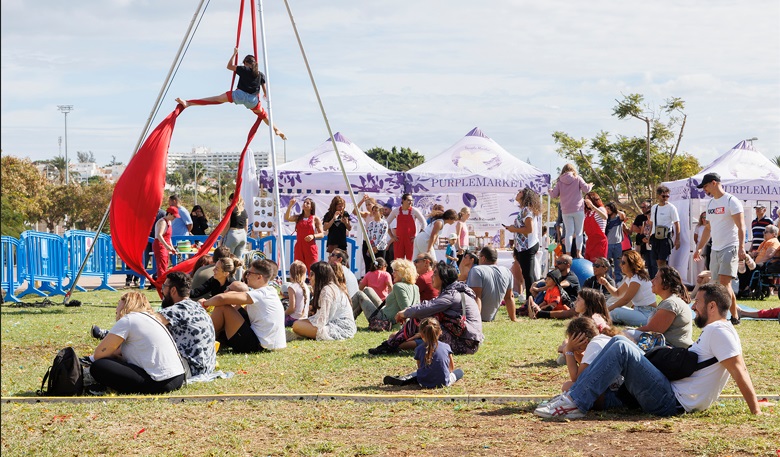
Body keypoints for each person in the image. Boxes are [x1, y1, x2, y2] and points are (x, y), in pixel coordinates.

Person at [534, 283, 762, 419]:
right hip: (668, 392)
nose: (694, 306)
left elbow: (738, 369)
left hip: (670, 401)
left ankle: (574, 401)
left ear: (712, 306)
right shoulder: (717, 331)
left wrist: (755, 411)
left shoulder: (720, 331)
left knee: (620, 345)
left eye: (698, 302)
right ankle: (574, 396)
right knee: (619, 344)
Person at [369, 262, 484, 355]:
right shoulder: (453, 292)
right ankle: (394, 343)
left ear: (443, 277)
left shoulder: (452, 295)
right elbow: (428, 304)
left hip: (465, 343)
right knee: (398, 334)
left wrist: (405, 313)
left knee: (420, 319)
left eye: (435, 274)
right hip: (465, 338)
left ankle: (389, 345)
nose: (432, 277)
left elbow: (427, 308)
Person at [87, 292, 186, 394]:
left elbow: (99, 354)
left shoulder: (129, 319)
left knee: (99, 366)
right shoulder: (151, 319)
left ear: (126, 305)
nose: (116, 309)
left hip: (160, 382)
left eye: (119, 304)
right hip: (177, 377)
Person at [176, 48, 286, 139]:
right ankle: (276, 129)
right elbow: (265, 91)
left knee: (215, 99)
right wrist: (265, 96)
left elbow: (229, 66)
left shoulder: (244, 69)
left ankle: (188, 103)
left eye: (244, 63)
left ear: (247, 64)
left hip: (239, 95)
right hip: (252, 101)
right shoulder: (261, 74)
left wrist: (234, 54)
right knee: (264, 115)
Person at [200, 259, 286, 353]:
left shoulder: (260, 293)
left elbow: (222, 299)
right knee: (233, 307)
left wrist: (205, 303)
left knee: (223, 306)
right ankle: (209, 339)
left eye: (249, 273)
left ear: (259, 277)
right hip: (268, 343)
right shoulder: (270, 291)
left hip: (259, 345)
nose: (246, 276)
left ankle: (201, 339)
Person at [693, 172, 746, 324]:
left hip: (730, 246)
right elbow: (708, 229)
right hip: (715, 248)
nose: (704, 190)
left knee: (724, 283)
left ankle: (730, 318)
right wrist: (699, 247)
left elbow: (741, 226)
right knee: (719, 285)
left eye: (705, 186)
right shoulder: (710, 204)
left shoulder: (731, 201)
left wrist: (742, 247)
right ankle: (735, 315)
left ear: (714, 183)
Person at [155, 272, 217, 377]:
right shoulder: (196, 306)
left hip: (192, 369)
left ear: (173, 290)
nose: (162, 290)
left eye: (164, 286)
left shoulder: (178, 309)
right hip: (206, 367)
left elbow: (147, 324)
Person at [382, 317, 464, 388]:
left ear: (421, 334)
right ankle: (411, 377)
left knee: (419, 373)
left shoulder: (419, 348)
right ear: (440, 332)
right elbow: (451, 368)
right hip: (443, 382)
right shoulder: (446, 346)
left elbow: (420, 367)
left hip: (423, 383)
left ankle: (409, 378)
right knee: (459, 371)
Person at [625, 266, 693, 348]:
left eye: (656, 278)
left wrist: (629, 331)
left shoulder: (670, 303)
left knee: (624, 335)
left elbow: (653, 330)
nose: (652, 281)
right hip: (667, 349)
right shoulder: (671, 301)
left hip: (670, 351)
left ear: (666, 283)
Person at [292, 261, 357, 340]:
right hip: (336, 325)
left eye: (312, 274)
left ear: (320, 276)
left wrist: (306, 325)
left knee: (297, 326)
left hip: (340, 329)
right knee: (299, 323)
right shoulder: (329, 287)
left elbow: (322, 321)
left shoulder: (327, 291)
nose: (309, 277)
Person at [353, 258, 420, 329]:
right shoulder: (415, 287)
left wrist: (407, 328)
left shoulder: (398, 286)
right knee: (367, 289)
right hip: (385, 314)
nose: (392, 273)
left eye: (395, 271)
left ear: (402, 272)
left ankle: (345, 317)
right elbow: (416, 307)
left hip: (385, 322)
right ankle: (350, 318)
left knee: (359, 294)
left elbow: (407, 309)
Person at [560, 317, 617, 393]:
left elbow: (577, 379)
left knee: (567, 386)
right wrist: (576, 351)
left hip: (613, 394)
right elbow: (586, 370)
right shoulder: (601, 339)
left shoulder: (594, 345)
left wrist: (569, 350)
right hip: (616, 388)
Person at [599, 250, 656, 327]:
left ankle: (599, 319)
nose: (620, 265)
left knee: (616, 312)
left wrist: (606, 310)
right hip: (639, 311)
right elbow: (618, 293)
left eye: (623, 263)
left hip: (647, 314)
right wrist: (606, 283)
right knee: (613, 307)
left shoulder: (636, 278)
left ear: (631, 264)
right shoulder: (630, 278)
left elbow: (625, 300)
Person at [504, 187, 542, 300]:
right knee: (528, 274)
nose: (517, 193)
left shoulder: (527, 210)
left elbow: (529, 229)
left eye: (520, 192)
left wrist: (513, 229)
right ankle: (534, 297)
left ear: (525, 196)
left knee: (528, 274)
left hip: (528, 246)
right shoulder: (525, 210)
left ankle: (531, 299)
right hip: (524, 246)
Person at [549, 164, 592, 258]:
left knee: (568, 232)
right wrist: (590, 185)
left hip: (565, 210)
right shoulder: (577, 178)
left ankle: (568, 254)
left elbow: (554, 195)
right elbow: (586, 189)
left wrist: (550, 190)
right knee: (579, 232)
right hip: (578, 209)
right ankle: (578, 253)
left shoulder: (560, 181)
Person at [467, 246, 514, 322]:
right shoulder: (507, 271)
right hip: (489, 317)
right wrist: (513, 318)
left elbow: (476, 297)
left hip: (476, 316)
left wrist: (475, 320)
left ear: (483, 258)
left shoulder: (477, 270)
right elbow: (509, 297)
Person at [285, 197, 324, 270]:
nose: (305, 204)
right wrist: (290, 206)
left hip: (310, 247)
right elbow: (287, 217)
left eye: (308, 203)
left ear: (311, 207)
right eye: (304, 202)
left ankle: (312, 281)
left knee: (312, 269)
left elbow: (322, 234)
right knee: (298, 269)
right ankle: (299, 281)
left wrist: (313, 236)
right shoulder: (298, 217)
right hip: (299, 246)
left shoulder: (315, 219)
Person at [648, 185, 681, 269]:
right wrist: (649, 236)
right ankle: (661, 278)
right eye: (663, 196)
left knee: (662, 261)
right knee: (656, 261)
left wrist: (677, 239)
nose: (665, 198)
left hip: (665, 238)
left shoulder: (671, 208)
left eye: (667, 196)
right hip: (655, 237)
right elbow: (651, 223)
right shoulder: (654, 207)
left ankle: (664, 279)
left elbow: (677, 223)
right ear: (658, 196)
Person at [386, 193, 426, 260]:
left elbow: (424, 223)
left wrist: (418, 236)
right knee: (398, 262)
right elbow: (386, 223)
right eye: (408, 200)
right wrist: (392, 236)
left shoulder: (414, 211)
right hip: (399, 240)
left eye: (411, 200)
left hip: (410, 240)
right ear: (403, 200)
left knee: (411, 261)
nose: (411, 202)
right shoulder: (396, 211)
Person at [354, 195, 388, 270]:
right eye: (366, 205)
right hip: (369, 244)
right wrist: (362, 200)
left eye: (369, 204)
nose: (367, 206)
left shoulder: (384, 222)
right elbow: (355, 211)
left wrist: (376, 247)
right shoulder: (368, 218)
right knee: (369, 265)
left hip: (379, 246)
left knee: (380, 265)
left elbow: (383, 236)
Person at [152, 206, 180, 279]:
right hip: (160, 245)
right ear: (169, 214)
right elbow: (159, 235)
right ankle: (161, 284)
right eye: (174, 216)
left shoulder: (169, 222)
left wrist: (172, 247)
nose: (174, 218)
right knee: (161, 267)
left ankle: (163, 282)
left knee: (165, 265)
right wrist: (167, 246)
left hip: (165, 245)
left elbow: (168, 237)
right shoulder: (162, 222)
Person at [631, 199, 655, 278]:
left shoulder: (654, 221)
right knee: (645, 262)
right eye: (642, 207)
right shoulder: (642, 220)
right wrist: (643, 235)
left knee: (653, 263)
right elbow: (636, 229)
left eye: (644, 207)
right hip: (642, 244)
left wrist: (647, 236)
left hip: (651, 244)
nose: (643, 209)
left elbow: (652, 231)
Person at [582, 191, 608, 262]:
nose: (587, 202)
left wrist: (593, 207)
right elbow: (582, 230)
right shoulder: (587, 213)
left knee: (598, 264)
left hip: (599, 241)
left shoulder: (600, 209)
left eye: (588, 200)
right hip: (590, 242)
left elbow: (605, 217)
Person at [604, 202, 626, 282]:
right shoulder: (606, 219)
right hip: (608, 244)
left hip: (617, 243)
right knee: (608, 263)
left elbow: (623, 215)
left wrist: (616, 210)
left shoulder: (618, 218)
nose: (607, 211)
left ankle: (618, 279)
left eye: (608, 209)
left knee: (618, 262)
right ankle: (609, 279)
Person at [284, 260, 310, 327]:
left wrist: (283, 314)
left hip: (293, 318)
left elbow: (292, 308)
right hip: (304, 318)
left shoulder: (292, 287)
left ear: (291, 273)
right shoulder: (306, 286)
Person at [693, 211, 707, 279]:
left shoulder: (712, 226)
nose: (704, 219)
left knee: (707, 266)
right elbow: (695, 238)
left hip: (709, 246)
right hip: (700, 247)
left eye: (705, 217)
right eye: (703, 217)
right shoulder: (698, 227)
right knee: (700, 266)